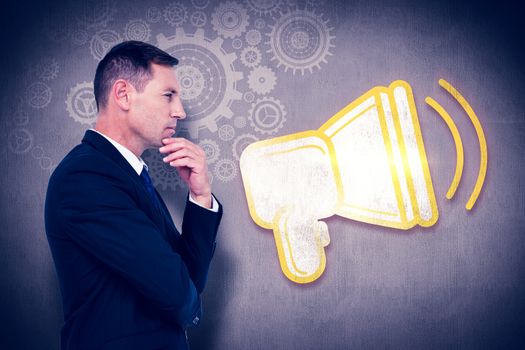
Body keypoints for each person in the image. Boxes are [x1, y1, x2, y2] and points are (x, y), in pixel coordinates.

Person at [45, 41, 222, 350]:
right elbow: (179, 295)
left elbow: (190, 279)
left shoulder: (131, 176)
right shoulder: (85, 178)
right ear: (124, 94)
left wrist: (200, 194)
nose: (179, 112)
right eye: (168, 95)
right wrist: (187, 299)